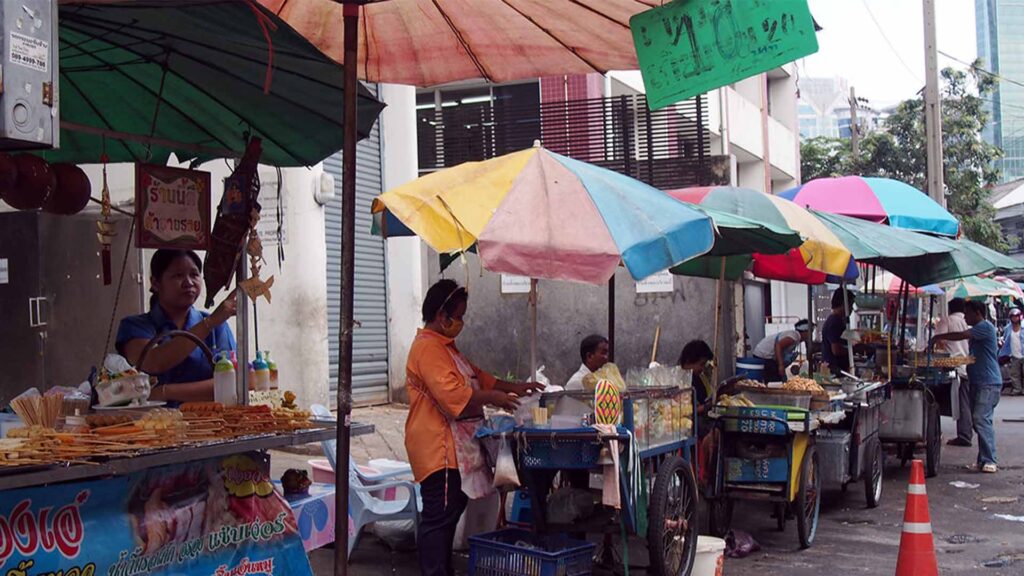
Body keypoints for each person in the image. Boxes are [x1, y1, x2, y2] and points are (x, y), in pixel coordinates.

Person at [405, 279, 543, 576]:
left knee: (449, 514)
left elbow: (480, 377)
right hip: (438, 450)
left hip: (457, 449)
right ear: (442, 315)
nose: (462, 322)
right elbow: (452, 396)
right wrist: (495, 398)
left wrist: (516, 387)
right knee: (438, 519)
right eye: (459, 315)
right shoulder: (428, 349)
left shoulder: (447, 348)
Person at [117, 249, 237, 404]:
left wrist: (165, 392)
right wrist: (209, 323)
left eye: (194, 274)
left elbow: (230, 384)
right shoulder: (135, 326)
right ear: (155, 282)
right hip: (151, 423)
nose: (188, 282)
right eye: (178, 275)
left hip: (208, 423)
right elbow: (153, 362)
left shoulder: (217, 327)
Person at [931, 299, 1002, 473]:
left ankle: (990, 459)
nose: (965, 317)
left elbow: (962, 335)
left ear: (977, 313)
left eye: (968, 313)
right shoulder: (979, 335)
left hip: (988, 382)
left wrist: (939, 337)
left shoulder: (985, 328)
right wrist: (940, 361)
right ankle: (983, 460)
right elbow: (970, 359)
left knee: (980, 418)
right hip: (978, 381)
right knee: (980, 421)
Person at [935, 298, 973, 446]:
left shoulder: (947, 320)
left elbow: (941, 341)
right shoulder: (966, 322)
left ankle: (963, 435)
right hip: (965, 364)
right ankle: (965, 433)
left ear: (950, 309)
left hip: (951, 366)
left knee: (955, 400)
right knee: (964, 400)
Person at [822, 288, 856, 375]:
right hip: (835, 371)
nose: (852, 309)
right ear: (843, 304)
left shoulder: (838, 320)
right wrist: (855, 349)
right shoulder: (835, 321)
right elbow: (836, 350)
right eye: (850, 305)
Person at [678, 340, 715, 414]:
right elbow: (683, 412)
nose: (703, 368)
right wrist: (705, 407)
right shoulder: (679, 381)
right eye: (701, 364)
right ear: (689, 361)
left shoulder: (699, 378)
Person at [998, 308, 1024, 396]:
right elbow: (1004, 339)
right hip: (1014, 354)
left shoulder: (1023, 327)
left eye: (1016, 317)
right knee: (1014, 374)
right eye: (1013, 317)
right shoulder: (1008, 328)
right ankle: (1017, 389)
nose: (1015, 319)